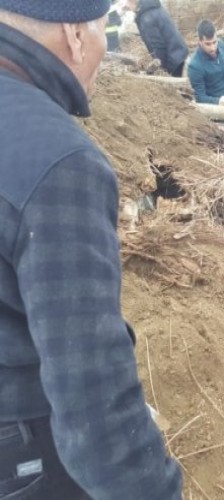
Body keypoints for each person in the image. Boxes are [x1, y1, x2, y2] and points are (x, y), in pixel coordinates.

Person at [0, 2, 182, 498]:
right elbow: (94, 405)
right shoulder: (61, 163)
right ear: (76, 35)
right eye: (105, 28)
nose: (108, 46)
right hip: (25, 456)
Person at [130, 0, 188, 77]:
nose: (127, 6)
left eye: (127, 2)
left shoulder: (146, 18)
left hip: (173, 57)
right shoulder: (152, 7)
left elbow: (158, 46)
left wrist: (162, 69)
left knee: (171, 85)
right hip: (178, 51)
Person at [188, 19, 224, 105]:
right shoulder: (195, 66)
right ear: (200, 42)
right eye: (208, 44)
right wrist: (217, 101)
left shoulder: (222, 46)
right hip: (216, 111)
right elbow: (200, 98)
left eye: (214, 42)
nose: (213, 48)